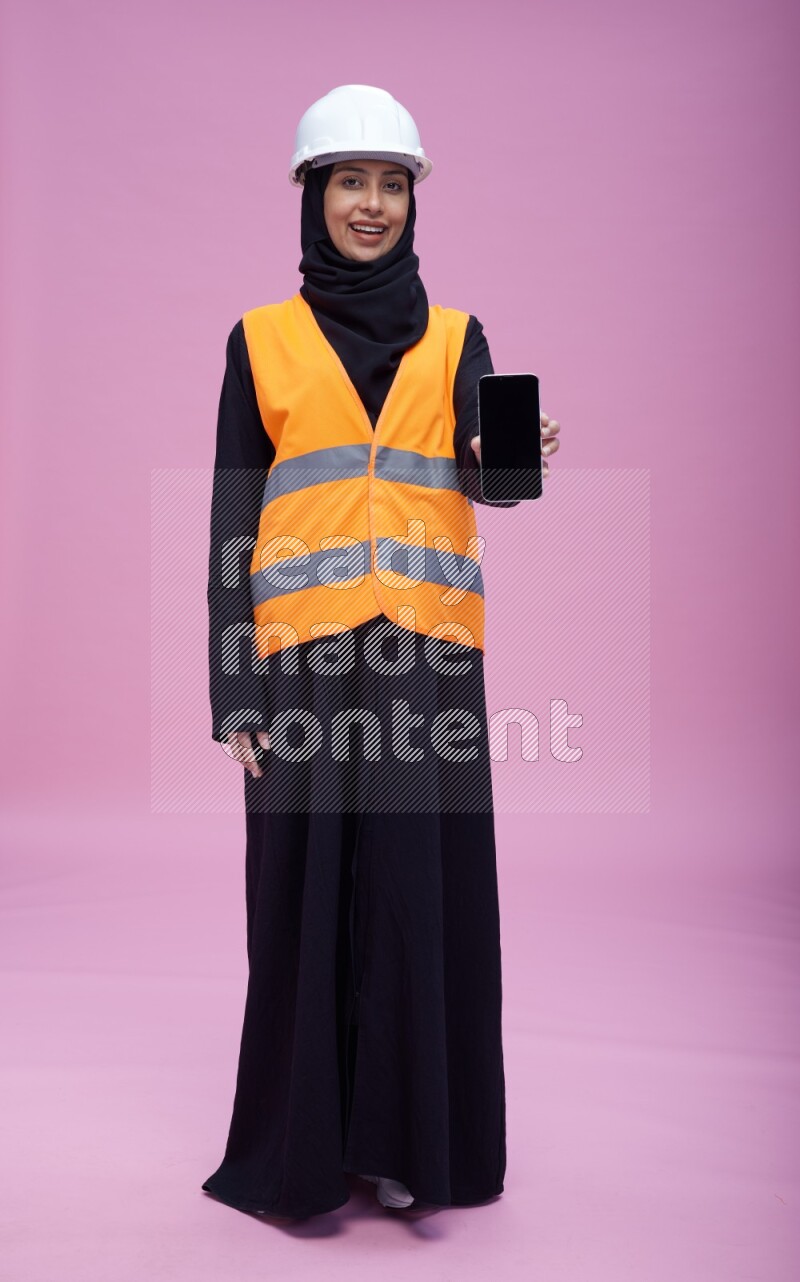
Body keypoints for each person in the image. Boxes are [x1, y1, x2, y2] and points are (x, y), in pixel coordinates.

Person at [201, 84, 562, 1220]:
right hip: (300, 668)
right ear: (312, 194)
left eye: (391, 184)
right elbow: (233, 521)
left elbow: (493, 484)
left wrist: (512, 455)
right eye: (349, 181)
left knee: (418, 899)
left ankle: (421, 1147)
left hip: (426, 667)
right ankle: (304, 1156)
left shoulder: (459, 339)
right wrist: (234, 693)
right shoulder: (259, 341)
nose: (371, 203)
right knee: (302, 901)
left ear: (414, 200)